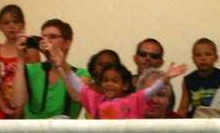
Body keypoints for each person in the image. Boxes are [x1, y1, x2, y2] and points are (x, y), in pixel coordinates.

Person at [52, 51, 185, 120]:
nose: (109, 84)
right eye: (105, 80)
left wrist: (165, 78)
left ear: (125, 85)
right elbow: (78, 86)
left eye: (114, 81)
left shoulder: (132, 101)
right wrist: (63, 64)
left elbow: (150, 92)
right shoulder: (96, 101)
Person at [10, 19, 88, 119]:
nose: (46, 41)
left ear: (67, 43)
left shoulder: (81, 74)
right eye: (43, 37)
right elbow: (17, 102)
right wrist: (20, 58)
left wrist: (59, 64)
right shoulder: (30, 70)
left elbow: (79, 96)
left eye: (52, 37)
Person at [0, 4, 35, 119]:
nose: (11, 26)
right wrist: (3, 106)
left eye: (15, 22)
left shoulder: (31, 51)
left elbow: (35, 81)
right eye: (6, 23)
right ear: (0, 26)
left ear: (23, 25)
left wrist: (23, 108)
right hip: (3, 108)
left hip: (26, 108)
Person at [176, 38, 220, 118]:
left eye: (208, 54)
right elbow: (183, 108)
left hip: (218, 121)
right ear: (193, 59)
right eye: (198, 55)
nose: (203, 58)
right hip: (196, 122)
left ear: (216, 58)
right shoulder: (188, 80)